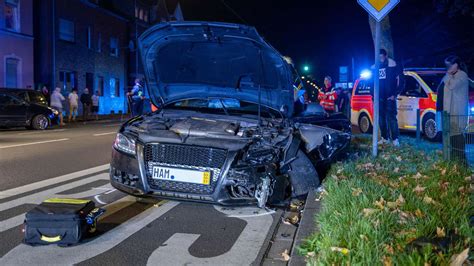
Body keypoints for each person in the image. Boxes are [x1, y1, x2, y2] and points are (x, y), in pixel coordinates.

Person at [437, 56, 470, 164]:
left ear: (456, 64)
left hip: (457, 112)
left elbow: (452, 86)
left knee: (457, 136)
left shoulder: (462, 75)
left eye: (450, 65)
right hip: (447, 112)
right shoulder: (450, 75)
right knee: (449, 137)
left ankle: (462, 163)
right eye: (446, 65)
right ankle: (453, 161)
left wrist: (448, 74)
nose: (448, 68)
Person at [376, 49, 402, 147]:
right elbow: (371, 82)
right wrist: (374, 95)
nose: (381, 59)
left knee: (391, 118)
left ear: (386, 55)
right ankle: (384, 138)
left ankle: (395, 139)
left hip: (390, 97)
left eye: (382, 57)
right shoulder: (375, 67)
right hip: (379, 98)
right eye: (379, 57)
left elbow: (400, 81)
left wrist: (394, 95)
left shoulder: (393, 65)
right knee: (381, 119)